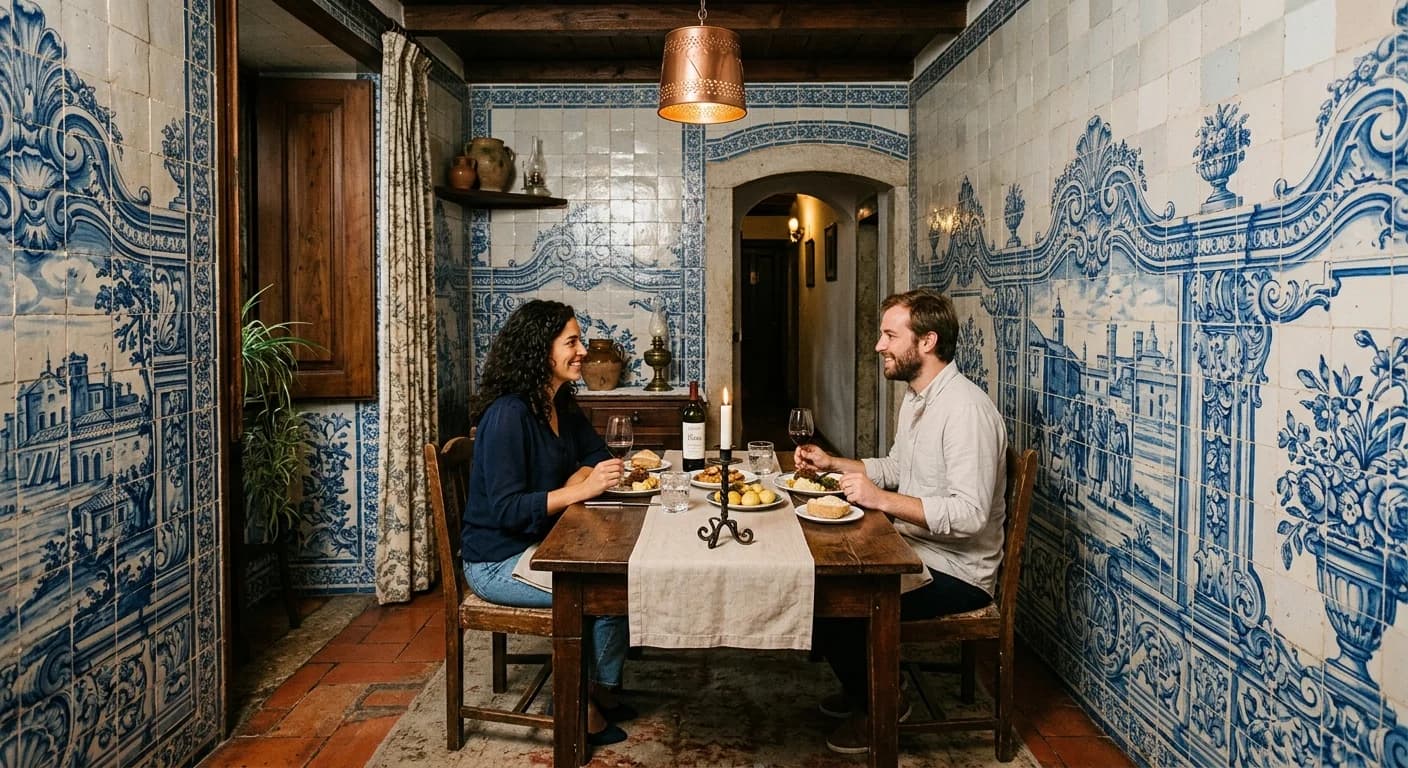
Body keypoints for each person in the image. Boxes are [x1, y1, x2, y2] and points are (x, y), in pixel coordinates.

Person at [795, 289, 1008, 755]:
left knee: (834, 599)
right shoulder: (917, 398)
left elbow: (970, 515)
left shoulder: (966, 411)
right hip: (915, 548)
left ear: (927, 342)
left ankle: (883, 704)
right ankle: (866, 685)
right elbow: (895, 467)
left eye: (890, 335)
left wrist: (880, 500)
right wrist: (833, 463)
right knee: (817, 577)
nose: (879, 346)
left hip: (958, 571)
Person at [462, 299, 633, 746]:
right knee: (604, 592)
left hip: (539, 544)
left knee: (623, 574)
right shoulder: (508, 414)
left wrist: (580, 480)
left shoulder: (559, 403)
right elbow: (507, 510)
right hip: (496, 561)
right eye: (571, 342)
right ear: (541, 350)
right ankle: (574, 702)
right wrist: (581, 488)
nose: (582, 351)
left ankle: (598, 688)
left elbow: (596, 455)